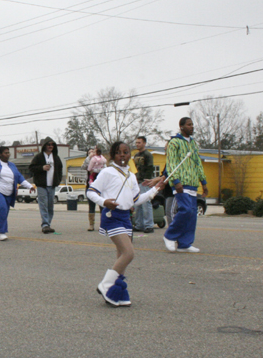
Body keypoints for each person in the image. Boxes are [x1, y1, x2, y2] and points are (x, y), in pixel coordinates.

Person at [87, 141, 163, 306]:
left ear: (130, 155)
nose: (123, 155)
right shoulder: (107, 172)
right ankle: (106, 285)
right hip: (112, 216)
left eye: (126, 152)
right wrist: (104, 202)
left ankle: (117, 292)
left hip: (126, 218)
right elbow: (91, 191)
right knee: (129, 254)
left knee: (121, 256)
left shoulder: (131, 176)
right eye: (119, 152)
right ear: (113, 155)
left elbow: (136, 200)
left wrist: (155, 189)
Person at [162, 117, 208, 253]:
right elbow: (171, 164)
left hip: (193, 183)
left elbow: (198, 163)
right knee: (185, 210)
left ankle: (184, 243)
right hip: (181, 183)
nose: (192, 127)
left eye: (192, 124)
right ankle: (169, 235)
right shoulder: (174, 143)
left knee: (192, 214)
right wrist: (176, 182)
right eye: (189, 124)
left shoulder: (193, 144)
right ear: (181, 127)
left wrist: (203, 182)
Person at [0, 146, 36, 241]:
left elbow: (19, 177)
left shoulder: (12, 165)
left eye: (8, 152)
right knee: (2, 207)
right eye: (5, 153)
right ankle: (2, 232)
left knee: (4, 211)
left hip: (9, 192)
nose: (8, 154)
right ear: (0, 154)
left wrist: (30, 186)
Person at [29, 137, 63, 234]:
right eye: (48, 145)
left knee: (50, 206)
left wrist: (58, 180)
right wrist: (42, 168)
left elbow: (60, 169)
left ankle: (48, 224)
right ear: (44, 146)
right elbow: (31, 168)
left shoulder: (56, 158)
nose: (50, 146)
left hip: (52, 185)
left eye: (52, 145)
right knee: (43, 204)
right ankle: (45, 225)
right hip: (41, 185)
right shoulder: (39, 157)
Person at [132, 136, 156, 234]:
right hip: (137, 182)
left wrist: (147, 179)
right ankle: (139, 224)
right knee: (137, 204)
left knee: (146, 203)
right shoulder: (136, 155)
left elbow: (150, 167)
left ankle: (149, 225)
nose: (137, 144)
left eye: (139, 142)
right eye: (136, 142)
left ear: (144, 143)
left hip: (145, 181)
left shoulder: (148, 155)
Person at [82, 147, 106, 231]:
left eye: (93, 151)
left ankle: (103, 224)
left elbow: (105, 169)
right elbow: (84, 167)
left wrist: (96, 169)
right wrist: (89, 157)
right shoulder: (88, 161)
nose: (92, 153)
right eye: (90, 152)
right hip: (90, 185)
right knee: (91, 205)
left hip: (100, 186)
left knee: (102, 206)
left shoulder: (102, 160)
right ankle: (91, 225)